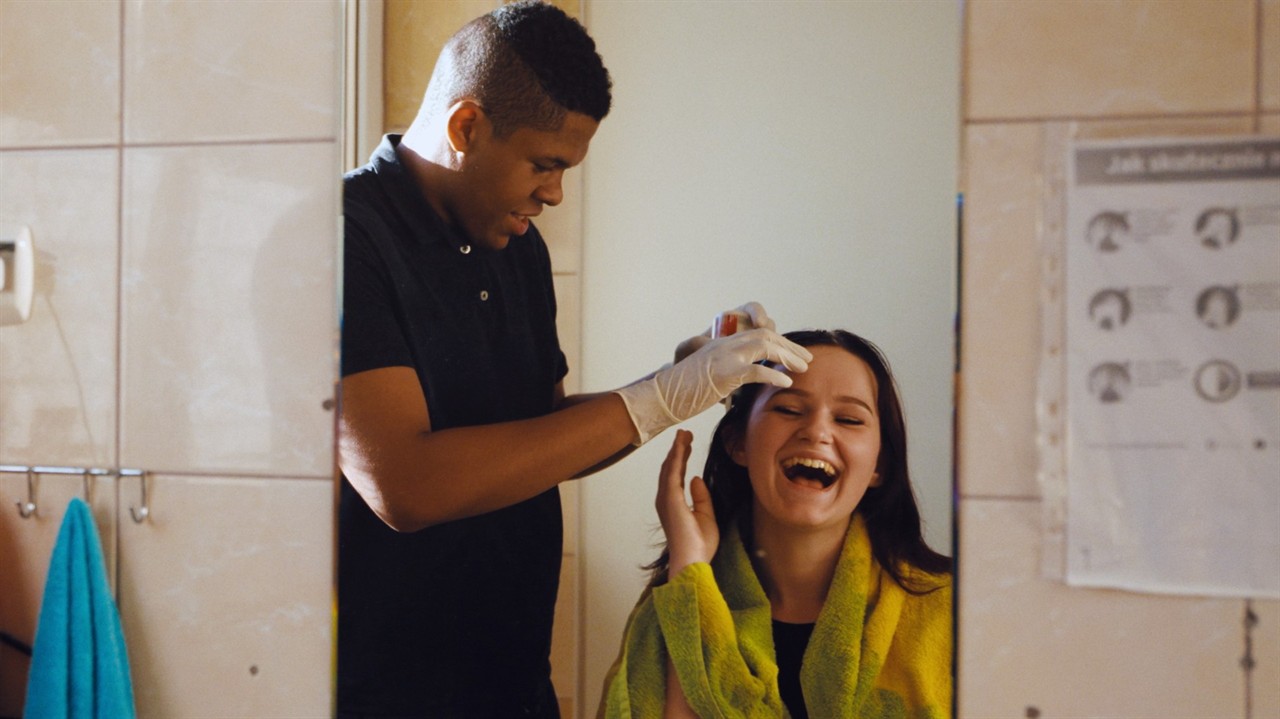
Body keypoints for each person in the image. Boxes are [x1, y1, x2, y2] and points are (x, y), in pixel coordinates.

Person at [337, 2, 811, 717]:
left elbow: (543, 435)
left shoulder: (514, 242)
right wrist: (658, 398)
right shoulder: (346, 236)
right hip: (392, 692)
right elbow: (405, 485)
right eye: (544, 164)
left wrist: (684, 374)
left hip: (518, 680)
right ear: (467, 127)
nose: (555, 192)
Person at [599, 330, 952, 718]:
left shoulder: (948, 610)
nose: (817, 432)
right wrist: (689, 572)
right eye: (788, 409)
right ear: (739, 444)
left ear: (880, 465)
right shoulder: (676, 600)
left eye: (849, 419)